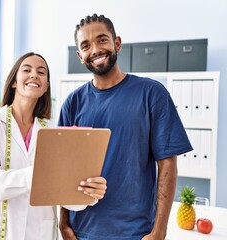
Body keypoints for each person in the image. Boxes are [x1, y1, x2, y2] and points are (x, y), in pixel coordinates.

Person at [58, 14, 193, 240]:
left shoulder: (152, 94)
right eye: (86, 45)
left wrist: (159, 231)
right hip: (81, 232)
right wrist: (64, 224)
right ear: (80, 56)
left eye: (102, 40)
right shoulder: (73, 103)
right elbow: (62, 169)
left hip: (135, 233)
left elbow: (168, 165)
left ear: (117, 43)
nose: (96, 49)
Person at [0, 52, 107, 240]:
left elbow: (61, 192)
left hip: (37, 232)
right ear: (14, 81)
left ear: (46, 86)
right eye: (27, 70)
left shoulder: (53, 132)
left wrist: (88, 194)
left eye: (41, 72)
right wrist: (37, 175)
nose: (34, 75)